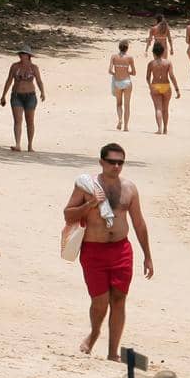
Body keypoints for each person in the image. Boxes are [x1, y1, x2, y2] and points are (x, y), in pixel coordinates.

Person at [64, 144, 154, 361]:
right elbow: (68, 215)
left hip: (121, 249)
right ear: (101, 162)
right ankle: (94, 333)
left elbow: (139, 223)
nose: (116, 166)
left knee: (119, 299)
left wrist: (147, 255)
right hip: (94, 250)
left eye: (120, 162)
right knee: (100, 301)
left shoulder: (129, 189)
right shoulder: (87, 186)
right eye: (112, 162)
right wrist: (89, 206)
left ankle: (113, 352)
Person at [0, 47, 46, 152]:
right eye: (20, 54)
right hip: (16, 95)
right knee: (17, 120)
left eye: (23, 54)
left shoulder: (34, 67)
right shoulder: (15, 66)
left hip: (30, 96)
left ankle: (30, 145)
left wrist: (42, 92)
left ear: (28, 55)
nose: (21, 55)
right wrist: (3, 95)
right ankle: (18, 144)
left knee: (30, 121)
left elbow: (38, 80)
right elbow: (9, 81)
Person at [144, 43, 181, 134]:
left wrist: (150, 86)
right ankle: (165, 128)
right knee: (165, 109)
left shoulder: (151, 63)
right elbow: (172, 76)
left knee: (158, 108)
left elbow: (147, 77)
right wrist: (177, 89)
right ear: (163, 52)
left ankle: (159, 128)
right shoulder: (168, 62)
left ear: (153, 53)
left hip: (155, 85)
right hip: (166, 86)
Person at [107, 41, 136, 132]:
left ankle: (120, 120)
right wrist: (127, 72)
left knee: (119, 103)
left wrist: (117, 73)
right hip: (127, 82)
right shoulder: (130, 58)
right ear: (127, 48)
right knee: (127, 105)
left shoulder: (114, 57)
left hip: (117, 82)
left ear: (119, 47)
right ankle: (126, 127)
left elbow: (110, 71)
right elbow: (134, 72)